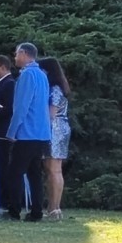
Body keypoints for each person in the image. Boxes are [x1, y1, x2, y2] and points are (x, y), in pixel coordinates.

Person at [5, 42, 51, 222]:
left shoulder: (27, 75)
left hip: (27, 133)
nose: (15, 57)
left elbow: (21, 107)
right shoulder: (42, 75)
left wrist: (12, 131)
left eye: (16, 54)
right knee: (34, 175)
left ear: (24, 54)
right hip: (41, 133)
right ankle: (36, 211)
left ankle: (14, 210)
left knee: (14, 173)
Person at [39, 56, 72, 220]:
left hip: (55, 128)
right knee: (53, 169)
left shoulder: (55, 89)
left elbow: (51, 113)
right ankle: (53, 207)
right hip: (61, 127)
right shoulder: (60, 87)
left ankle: (54, 208)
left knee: (53, 170)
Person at [0, 54, 18, 211]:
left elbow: (9, 109)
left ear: (3, 67)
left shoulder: (10, 84)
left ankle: (5, 200)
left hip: (2, 132)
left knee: (2, 164)